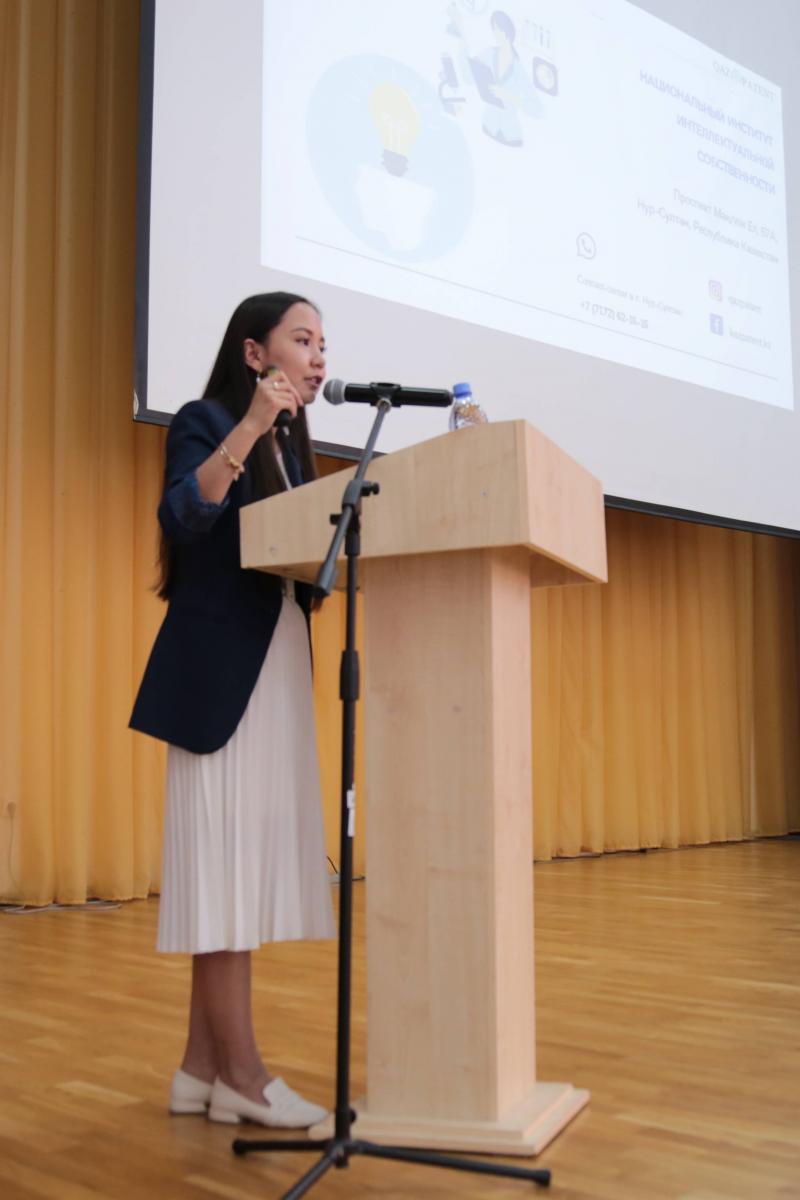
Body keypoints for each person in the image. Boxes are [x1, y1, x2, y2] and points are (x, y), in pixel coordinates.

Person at [130, 292, 335, 1128]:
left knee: (237, 871)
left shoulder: (294, 449)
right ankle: (243, 1079)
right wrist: (249, 426)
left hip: (276, 660)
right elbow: (185, 516)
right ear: (255, 354)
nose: (319, 358)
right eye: (302, 340)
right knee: (222, 873)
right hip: (218, 676)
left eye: (323, 344)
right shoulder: (208, 420)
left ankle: (198, 1070)